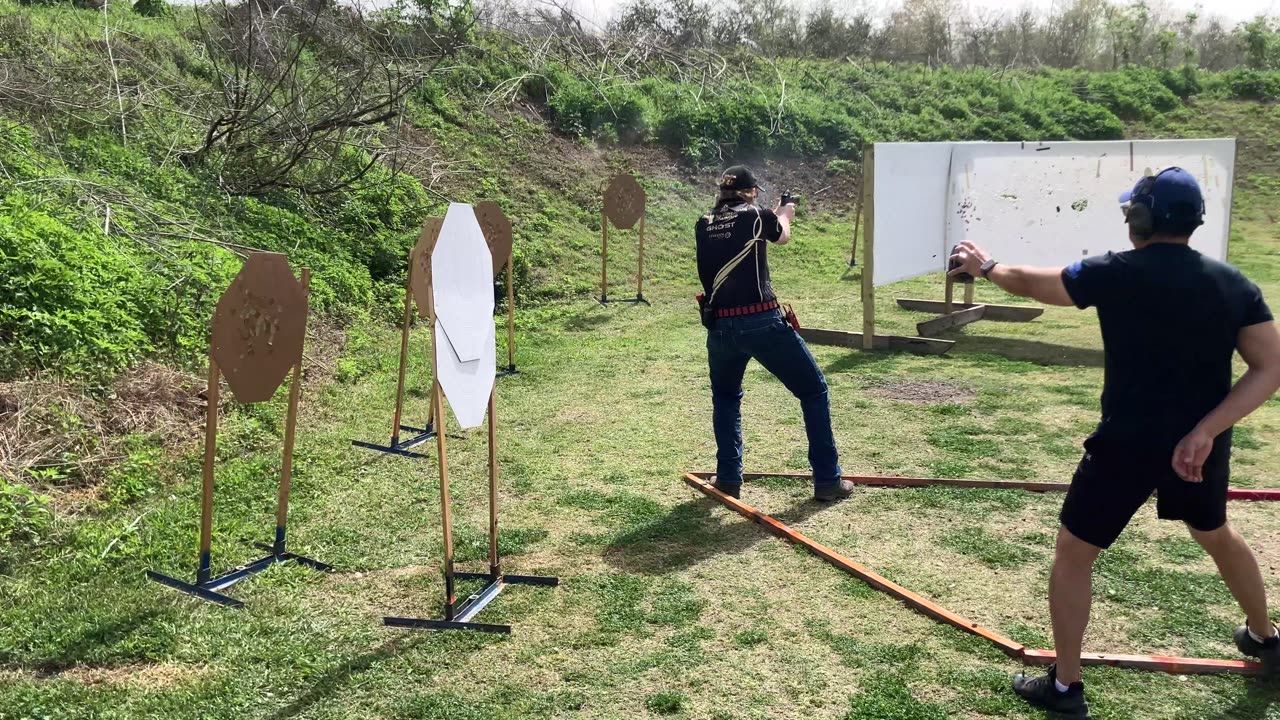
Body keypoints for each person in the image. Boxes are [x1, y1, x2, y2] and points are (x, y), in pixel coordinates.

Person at [949, 167, 1280, 718]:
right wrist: (1206, 430)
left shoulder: (1115, 272)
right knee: (1216, 535)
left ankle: (1065, 687)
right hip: (1198, 451)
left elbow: (1035, 283)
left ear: (1140, 220)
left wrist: (986, 266)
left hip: (1124, 444)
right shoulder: (1234, 284)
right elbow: (1269, 367)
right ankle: (1267, 638)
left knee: (1075, 556)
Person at [695, 165, 854, 502]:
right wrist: (786, 212)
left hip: (720, 325)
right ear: (751, 192)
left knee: (725, 399)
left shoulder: (703, 223)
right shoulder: (755, 214)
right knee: (813, 392)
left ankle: (727, 478)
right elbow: (781, 234)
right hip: (760, 321)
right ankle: (827, 480)